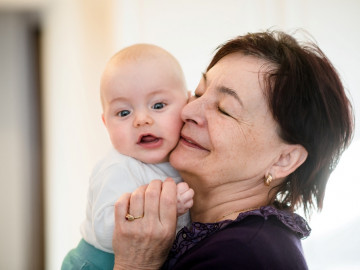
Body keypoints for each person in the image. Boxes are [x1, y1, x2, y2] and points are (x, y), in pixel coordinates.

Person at [111, 30, 354, 270]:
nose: (188, 111)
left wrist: (135, 263)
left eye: (224, 110)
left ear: (284, 159)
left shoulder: (243, 255)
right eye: (198, 93)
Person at [61, 44, 194, 269]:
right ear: (106, 123)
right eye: (124, 112)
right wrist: (167, 207)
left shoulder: (183, 161)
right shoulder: (118, 167)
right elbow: (104, 232)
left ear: (188, 104)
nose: (141, 119)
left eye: (158, 105)